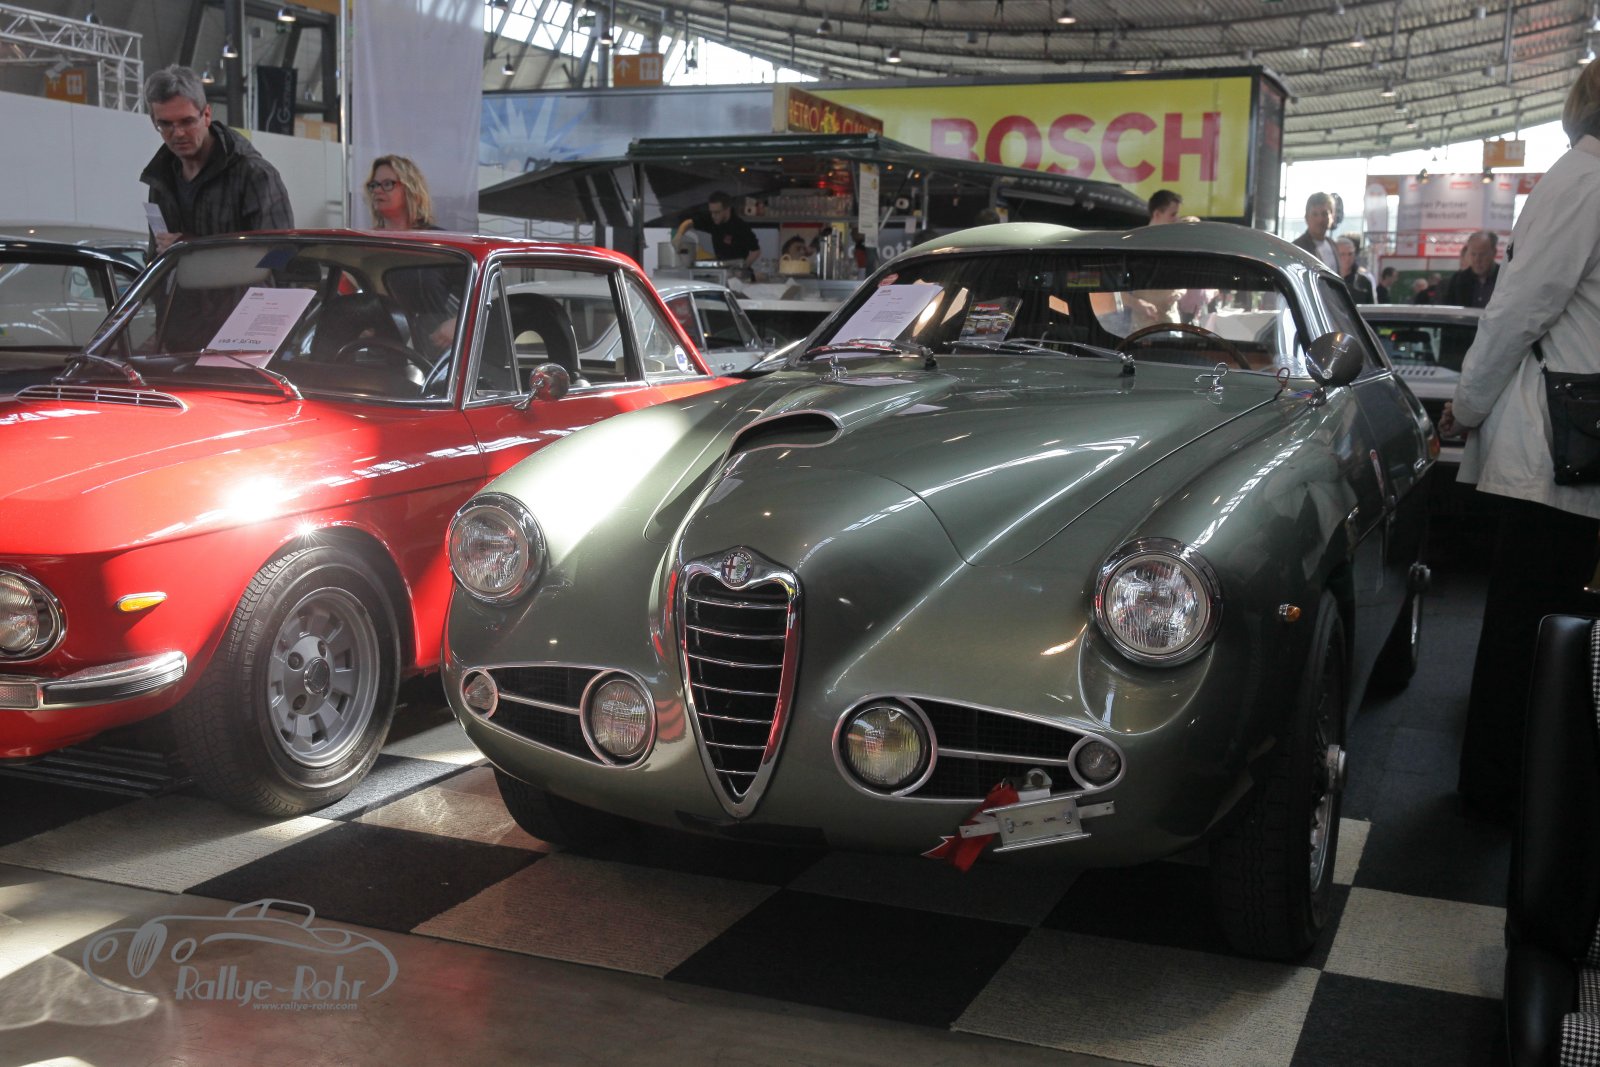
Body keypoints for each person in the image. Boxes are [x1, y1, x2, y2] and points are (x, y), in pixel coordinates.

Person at [1438, 57, 1600, 820]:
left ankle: (1498, 790)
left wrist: (1465, 406)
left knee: (1522, 624)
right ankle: (1545, 787)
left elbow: (1518, 311)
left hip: (1552, 444)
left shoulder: (1579, 179)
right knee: (1558, 622)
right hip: (1577, 441)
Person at [139, 64, 293, 257]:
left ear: (206, 115)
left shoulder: (255, 176)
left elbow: (280, 257)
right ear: (154, 121)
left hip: (245, 279)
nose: (178, 133)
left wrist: (191, 248)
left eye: (187, 121)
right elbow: (156, 257)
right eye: (165, 124)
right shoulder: (161, 180)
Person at [675, 191, 760, 273]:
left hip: (738, 271)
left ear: (727, 209)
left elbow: (755, 251)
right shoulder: (712, 220)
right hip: (721, 268)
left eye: (717, 212)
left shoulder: (740, 226)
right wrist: (678, 235)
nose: (713, 216)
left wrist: (742, 269)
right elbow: (688, 223)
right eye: (711, 212)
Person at [365, 155, 438, 230]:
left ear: (410, 190)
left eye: (387, 184)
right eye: (374, 185)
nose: (376, 190)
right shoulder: (365, 237)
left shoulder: (435, 236)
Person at [1442, 230, 1500, 308]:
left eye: (1482, 254)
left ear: (1494, 252)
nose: (1477, 260)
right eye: (1473, 254)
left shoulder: (1505, 278)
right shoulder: (1458, 280)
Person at [1291, 192, 1339, 272]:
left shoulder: (1333, 245)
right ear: (1306, 217)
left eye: (1324, 214)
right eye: (1315, 214)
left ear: (1332, 216)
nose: (1320, 220)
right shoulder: (1297, 248)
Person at [1336, 237, 1375, 303]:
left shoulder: (1363, 282)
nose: (1347, 258)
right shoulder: (1327, 279)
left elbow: (1370, 306)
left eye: (1350, 254)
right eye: (1342, 254)